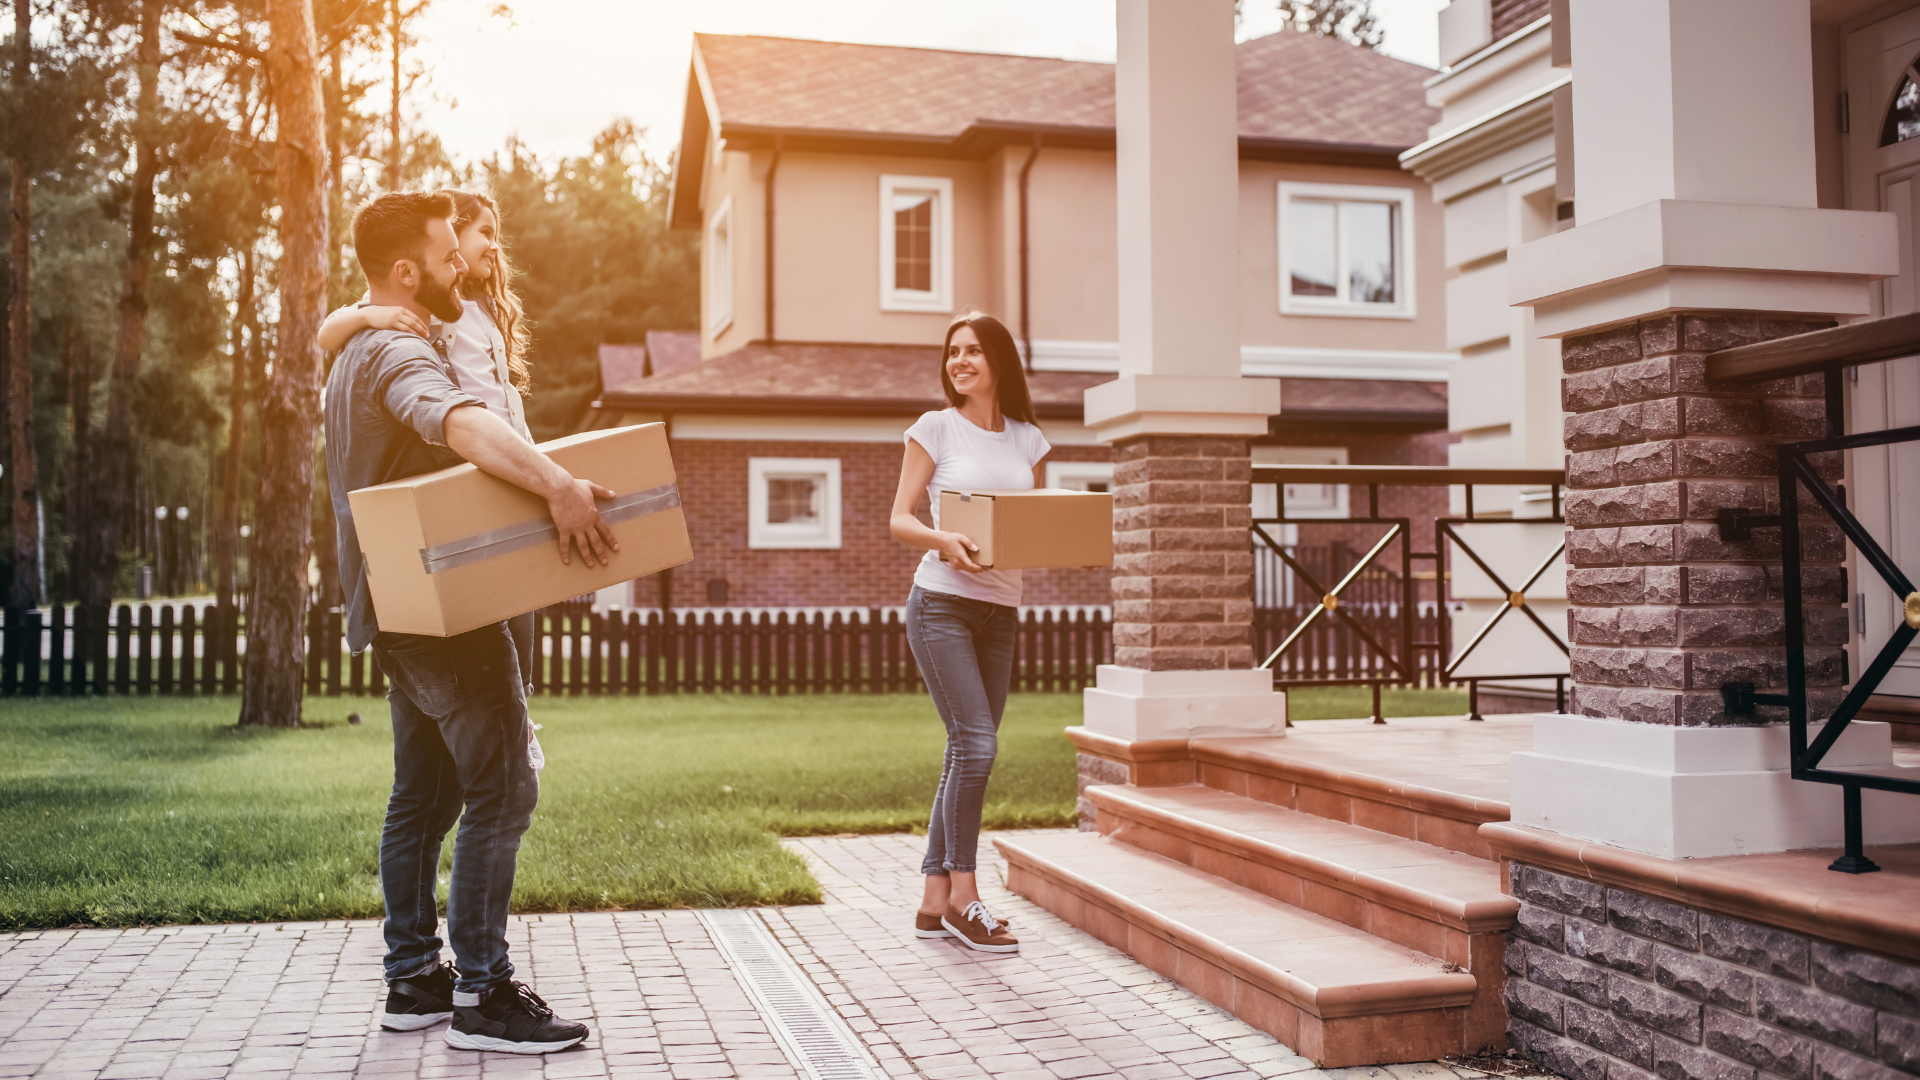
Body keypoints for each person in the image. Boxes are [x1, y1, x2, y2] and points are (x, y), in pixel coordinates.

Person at [323, 191, 613, 1053]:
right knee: (501, 788)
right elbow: (457, 420)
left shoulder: (355, 350)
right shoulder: (395, 354)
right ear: (407, 271)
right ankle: (484, 995)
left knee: (425, 794)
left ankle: (413, 980)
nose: (465, 268)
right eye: (449, 258)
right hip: (443, 616)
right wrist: (559, 486)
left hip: (394, 606)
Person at [318, 191, 543, 740]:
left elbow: (506, 405)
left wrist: (538, 467)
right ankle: (513, 728)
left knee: (521, 624)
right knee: (489, 774)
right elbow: (329, 333)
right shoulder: (415, 324)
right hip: (475, 470)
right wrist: (370, 312)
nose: (488, 247)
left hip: (505, 464)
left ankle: (519, 711)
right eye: (480, 233)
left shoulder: (480, 310)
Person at [887, 311, 1048, 955]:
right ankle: (964, 896)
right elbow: (900, 518)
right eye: (952, 352)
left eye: (973, 351)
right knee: (977, 747)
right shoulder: (935, 428)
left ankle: (933, 902)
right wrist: (942, 539)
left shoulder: (1028, 440)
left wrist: (1071, 547)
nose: (959, 361)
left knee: (966, 749)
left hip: (1000, 611)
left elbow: (1029, 528)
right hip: (942, 604)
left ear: (999, 362)